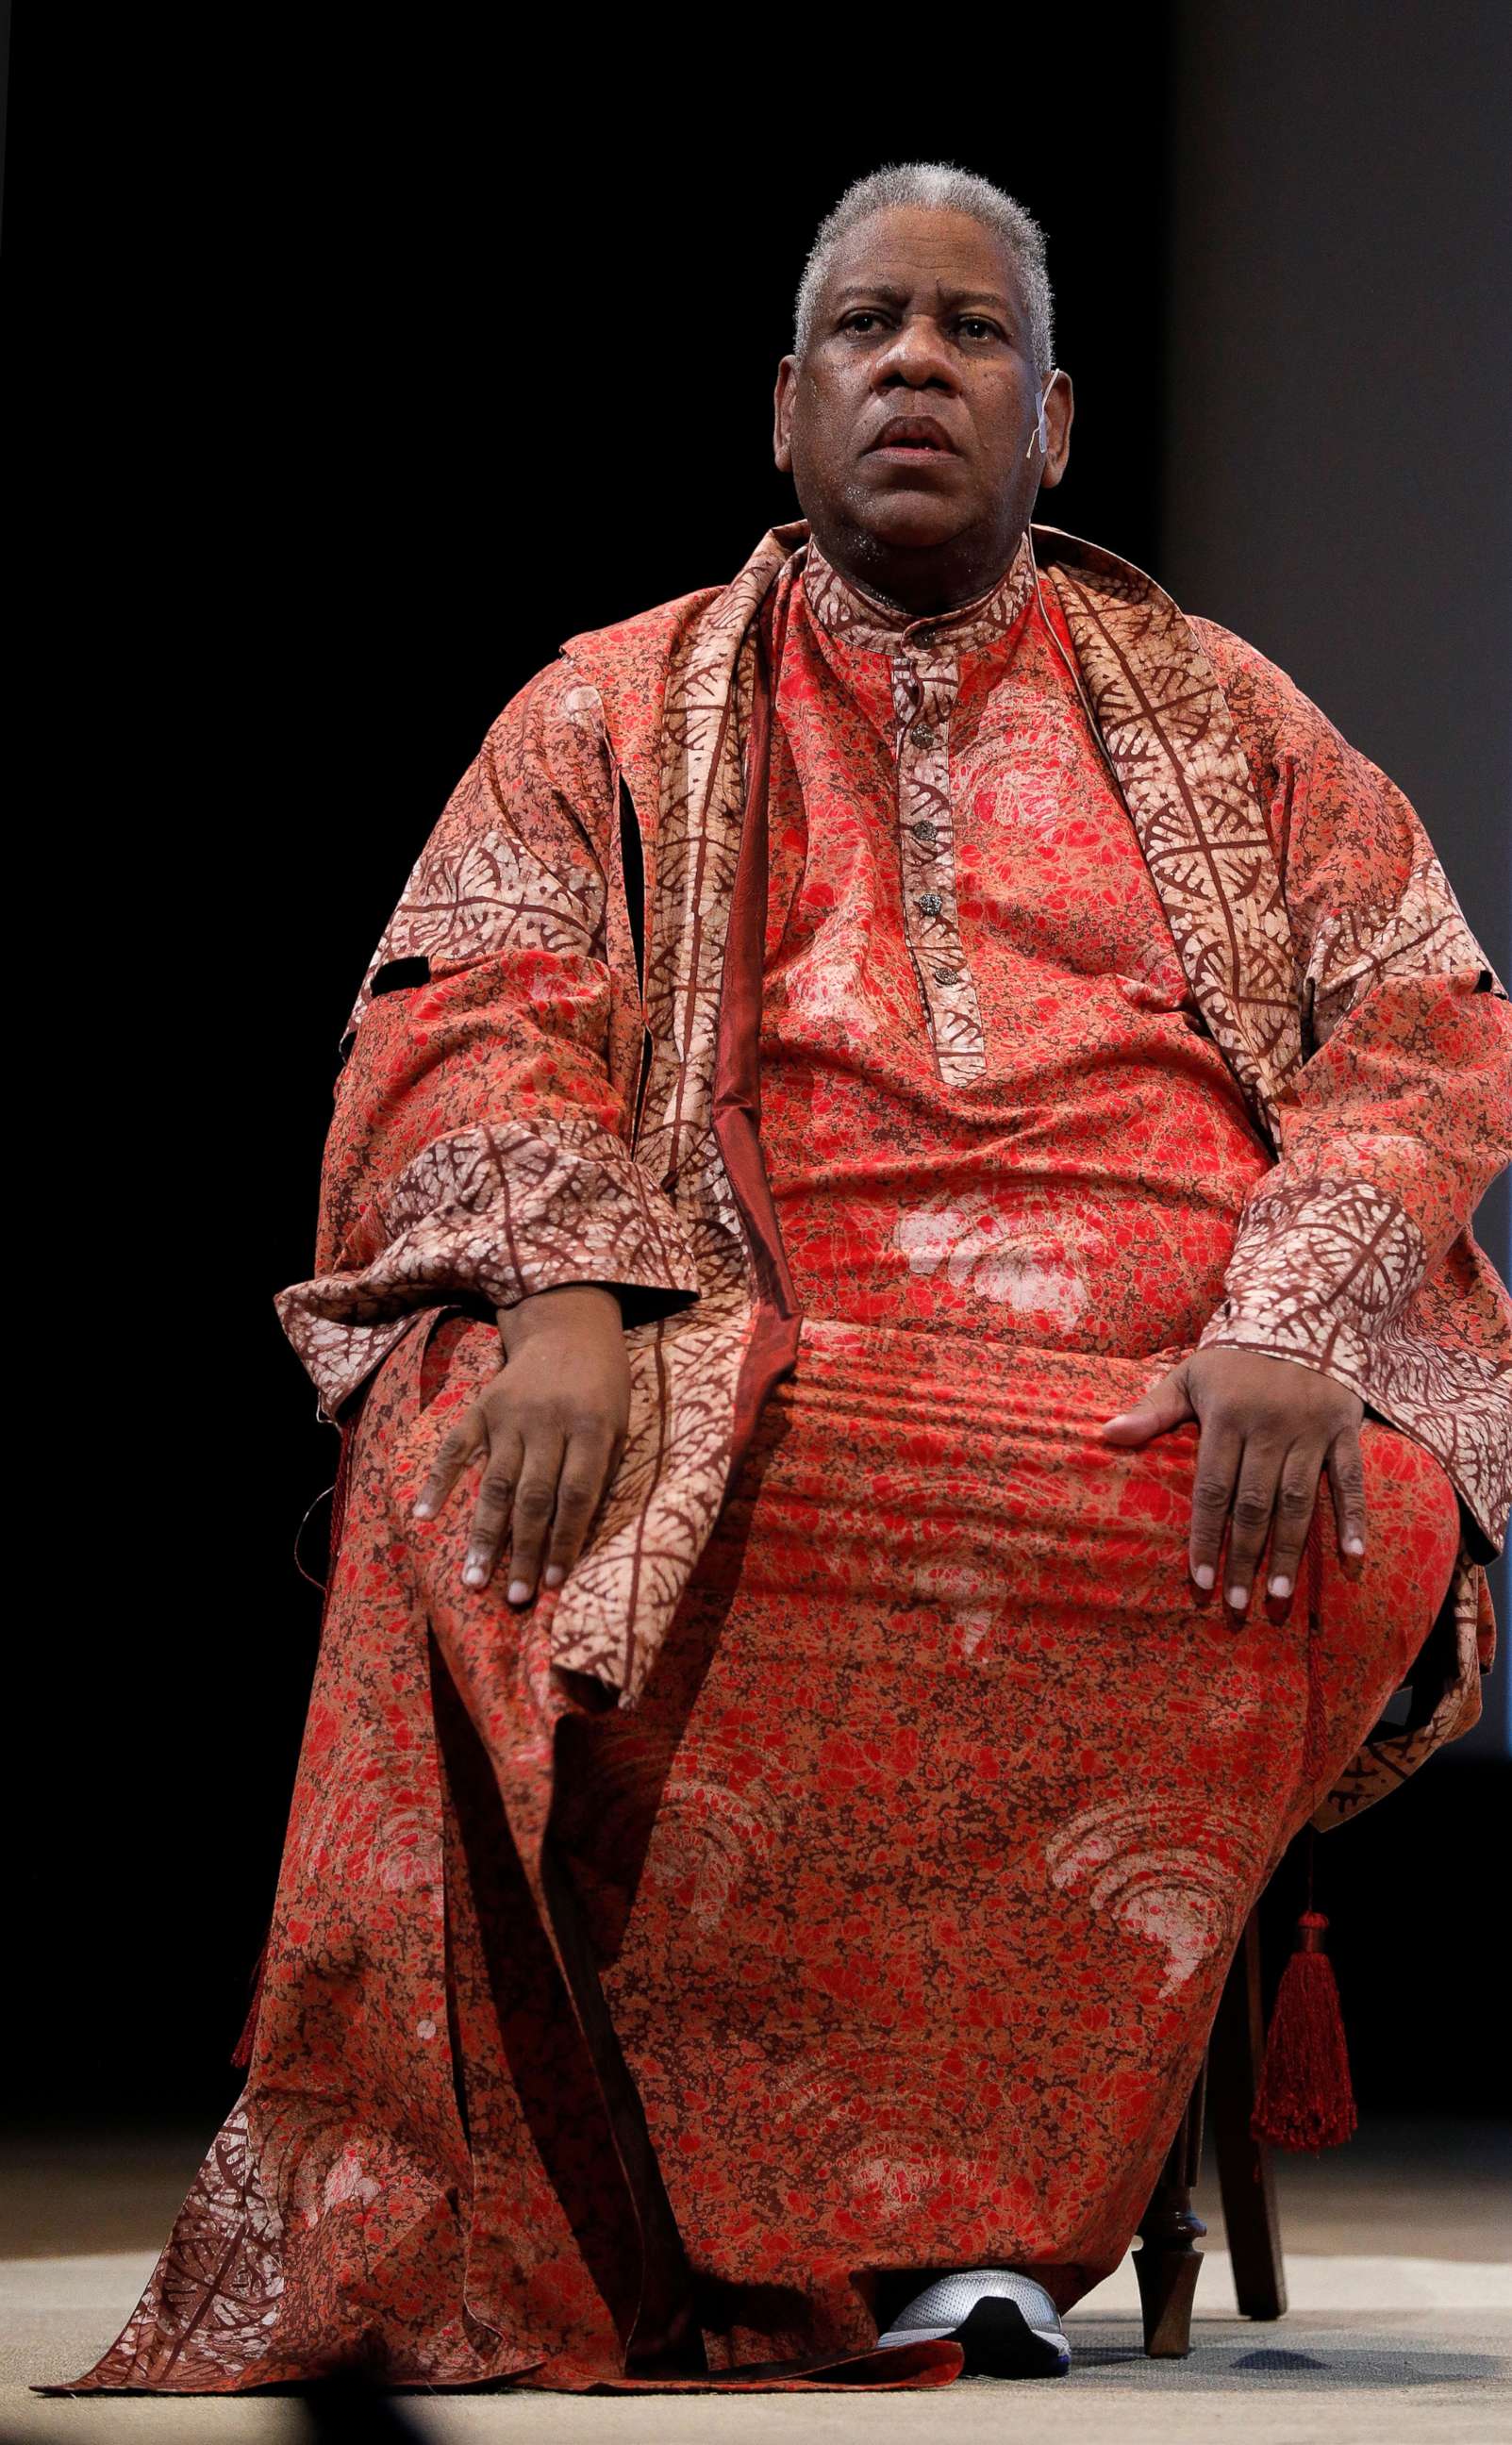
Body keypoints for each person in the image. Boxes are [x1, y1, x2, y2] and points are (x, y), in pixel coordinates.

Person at [68, 162, 1510, 2397]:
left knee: (1369, 1505)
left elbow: (1420, 1025)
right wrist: (562, 1301)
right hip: (758, 1363)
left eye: (970, 334)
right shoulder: (606, 711)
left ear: (1053, 422)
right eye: (866, 329)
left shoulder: (1231, 715)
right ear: (782, 405)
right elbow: (466, 1016)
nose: (915, 365)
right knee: (467, 1447)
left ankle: (989, 2223)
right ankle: (723, 2220)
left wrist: (1292, 1318)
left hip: (1163, 1395)